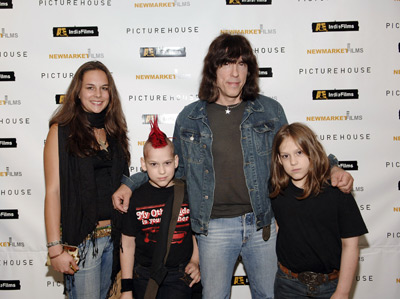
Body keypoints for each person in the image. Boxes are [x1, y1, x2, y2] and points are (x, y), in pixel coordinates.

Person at [112, 33, 354, 298]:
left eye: (242, 64)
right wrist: (130, 183)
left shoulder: (269, 110)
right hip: (213, 226)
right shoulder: (190, 117)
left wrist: (332, 168)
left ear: (249, 70)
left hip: (263, 224)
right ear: (213, 70)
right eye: (226, 63)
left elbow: (294, 151)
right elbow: (172, 167)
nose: (235, 72)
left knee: (268, 295)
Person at [44, 61, 130, 299]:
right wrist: (55, 249)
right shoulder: (61, 132)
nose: (98, 94)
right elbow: (53, 191)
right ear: (78, 92)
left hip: (115, 239)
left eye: (104, 88)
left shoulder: (115, 132)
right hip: (83, 243)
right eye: (90, 87)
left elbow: (124, 181)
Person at [269, 123, 368, 299]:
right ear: (278, 159)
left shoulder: (337, 189)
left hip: (330, 286)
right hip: (287, 285)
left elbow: (350, 245)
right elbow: (280, 226)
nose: (293, 161)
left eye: (299, 152)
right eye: (286, 155)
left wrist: (343, 292)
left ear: (311, 151)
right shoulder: (276, 188)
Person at [119, 118, 201, 299]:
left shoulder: (187, 193)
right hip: (144, 276)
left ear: (176, 161)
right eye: (154, 164)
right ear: (143, 164)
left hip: (180, 276)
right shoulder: (136, 197)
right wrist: (126, 288)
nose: (162, 171)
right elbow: (127, 243)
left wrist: (196, 260)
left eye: (167, 163)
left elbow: (197, 231)